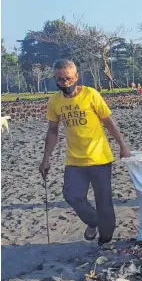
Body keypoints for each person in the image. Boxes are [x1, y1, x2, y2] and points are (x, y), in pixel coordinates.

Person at [38, 59, 131, 248]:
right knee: (72, 196)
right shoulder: (55, 101)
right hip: (74, 160)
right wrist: (46, 158)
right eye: (61, 79)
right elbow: (53, 131)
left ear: (76, 77)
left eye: (68, 78)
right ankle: (94, 221)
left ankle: (105, 238)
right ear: (55, 79)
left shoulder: (91, 94)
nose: (65, 83)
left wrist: (122, 145)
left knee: (104, 200)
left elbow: (108, 122)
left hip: (100, 158)